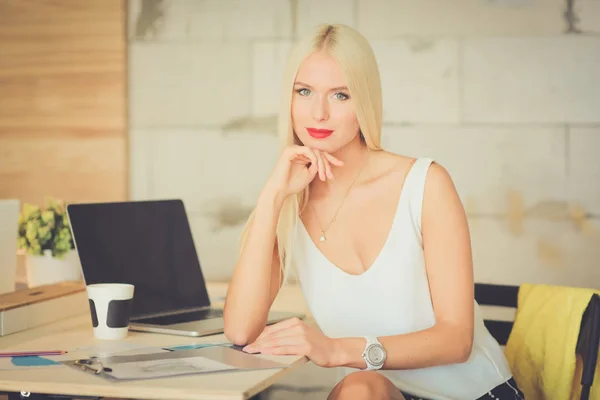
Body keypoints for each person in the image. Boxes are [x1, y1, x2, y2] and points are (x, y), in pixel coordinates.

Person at [223, 24, 525, 400]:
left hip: (475, 395)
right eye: (304, 92)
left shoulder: (426, 184)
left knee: (358, 388)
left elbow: (456, 339)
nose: (318, 113)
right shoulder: (291, 202)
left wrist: (336, 350)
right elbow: (239, 331)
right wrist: (272, 196)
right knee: (360, 388)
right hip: (380, 393)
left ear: (364, 100)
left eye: (340, 95)